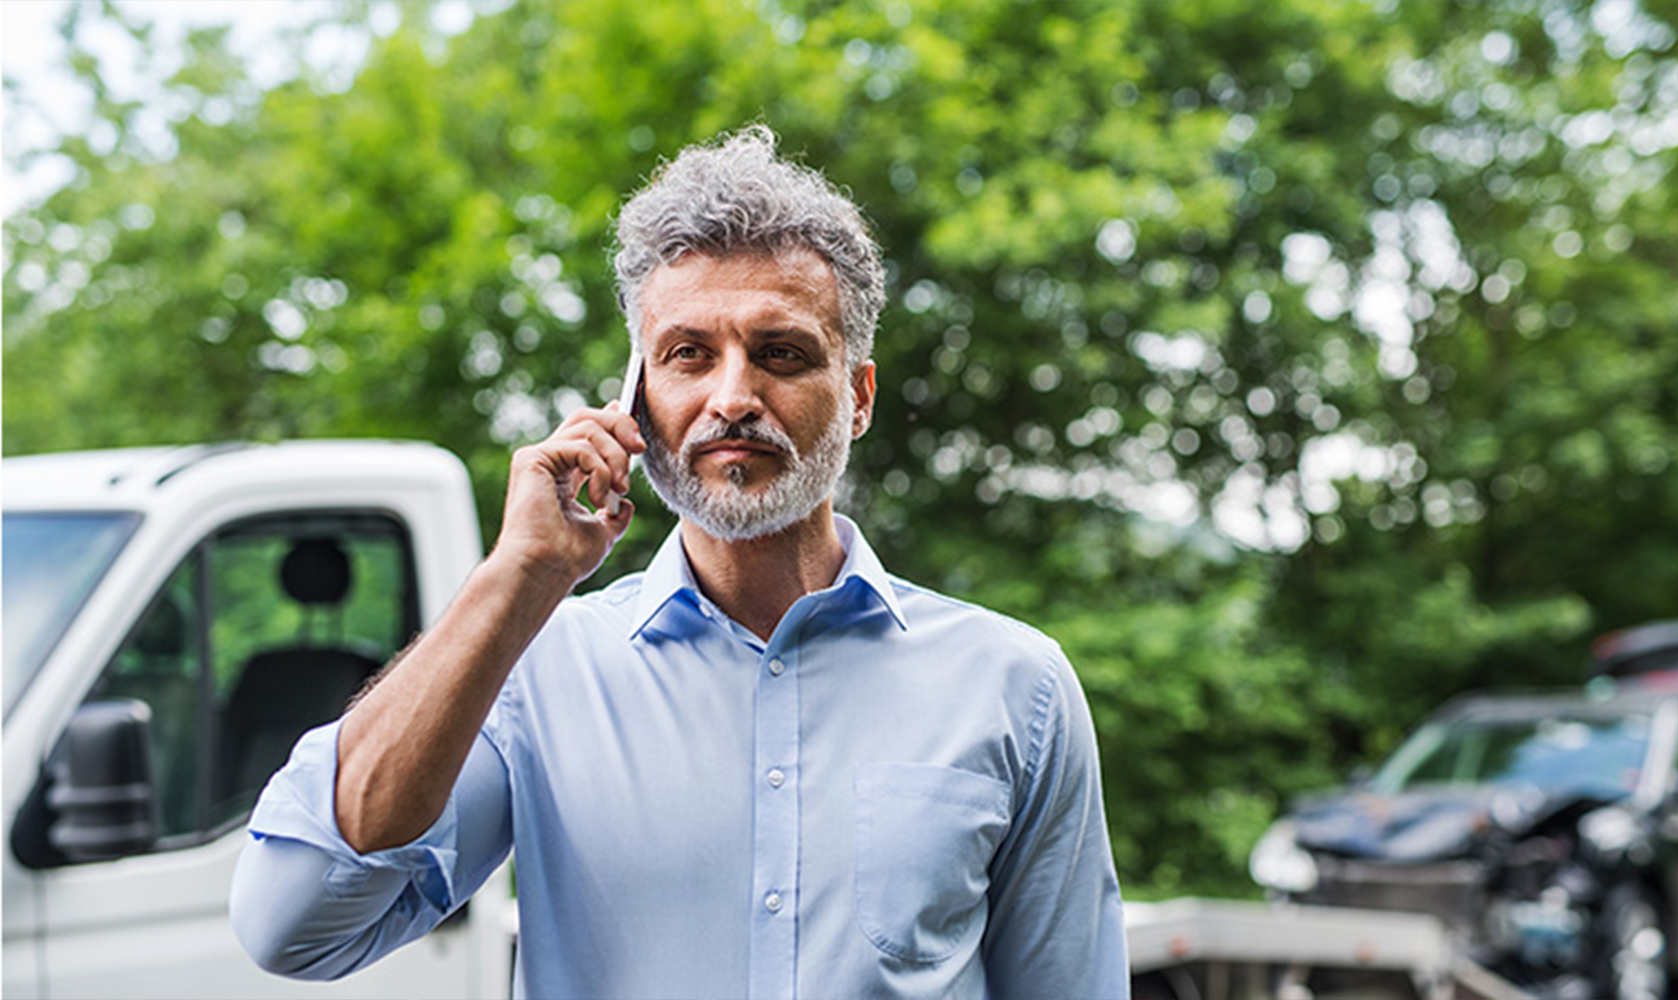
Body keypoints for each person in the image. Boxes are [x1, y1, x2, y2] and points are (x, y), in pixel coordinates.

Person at [230, 125, 1127, 1000]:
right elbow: (292, 925)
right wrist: (518, 576)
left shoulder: (1016, 687)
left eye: (781, 354)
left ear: (857, 396)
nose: (733, 397)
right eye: (688, 354)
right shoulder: (535, 674)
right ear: (637, 398)